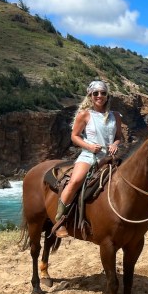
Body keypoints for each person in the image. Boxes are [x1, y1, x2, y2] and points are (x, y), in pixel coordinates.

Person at [54, 80, 123, 238]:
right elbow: (74, 136)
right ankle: (59, 221)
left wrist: (115, 144)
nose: (100, 96)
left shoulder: (116, 116)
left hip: (109, 157)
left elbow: (118, 137)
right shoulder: (85, 115)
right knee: (75, 181)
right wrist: (89, 147)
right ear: (90, 96)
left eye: (103, 93)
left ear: (107, 96)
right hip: (89, 156)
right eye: (96, 93)